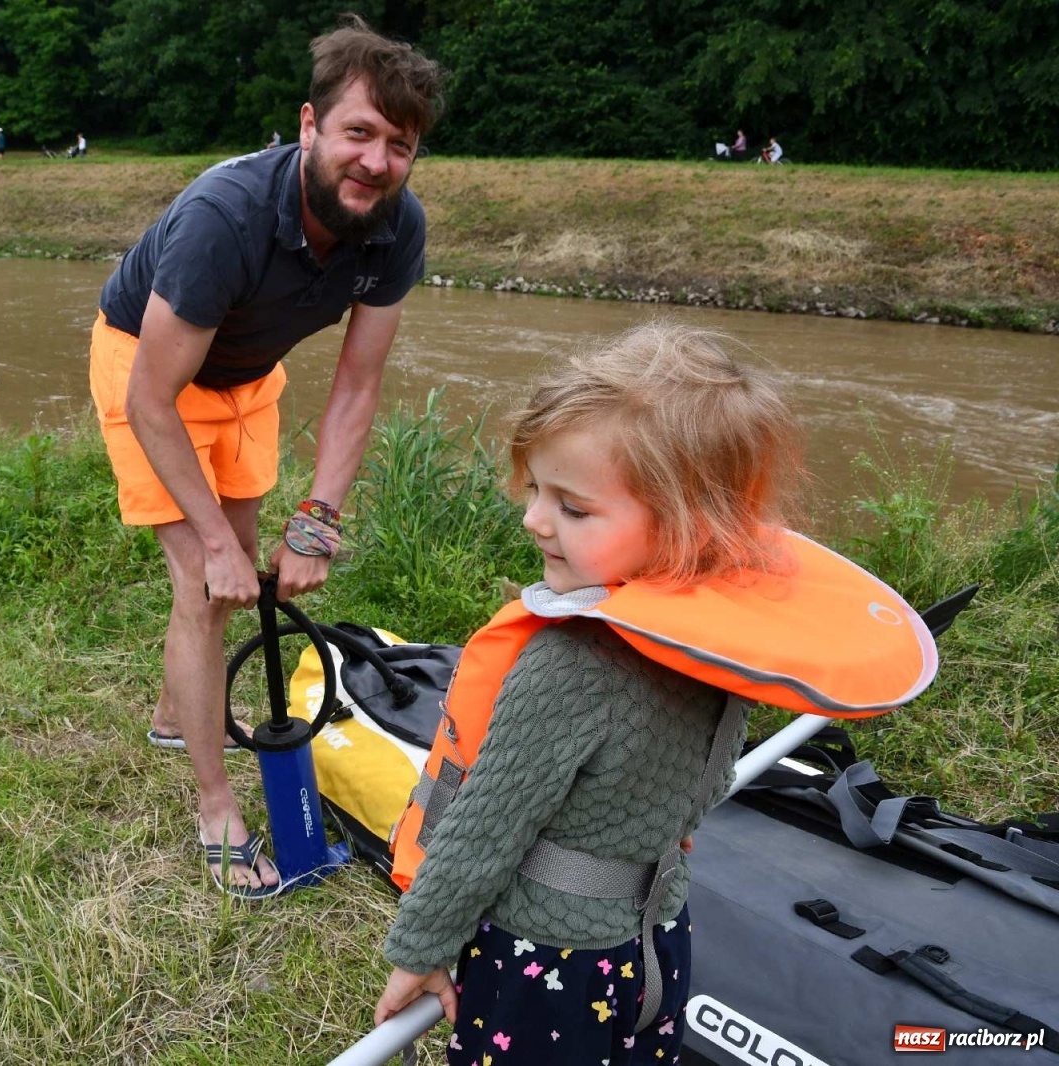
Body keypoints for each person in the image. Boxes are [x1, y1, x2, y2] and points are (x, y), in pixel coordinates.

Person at [373, 324, 807, 1062]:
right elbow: (709, 782)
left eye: (572, 508)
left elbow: (483, 831)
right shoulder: (717, 648)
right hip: (658, 937)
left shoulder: (569, 666)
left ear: (686, 523)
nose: (533, 518)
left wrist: (419, 951)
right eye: (538, 490)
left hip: (546, 964)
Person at [89, 15, 446, 897]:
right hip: (150, 371)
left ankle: (179, 709)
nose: (375, 160)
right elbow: (150, 400)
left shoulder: (397, 229)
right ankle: (216, 805)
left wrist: (317, 526)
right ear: (310, 125)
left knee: (246, 562)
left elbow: (358, 387)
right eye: (358, 132)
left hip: (248, 377)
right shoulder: (226, 218)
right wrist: (210, 543)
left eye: (398, 145)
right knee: (210, 583)